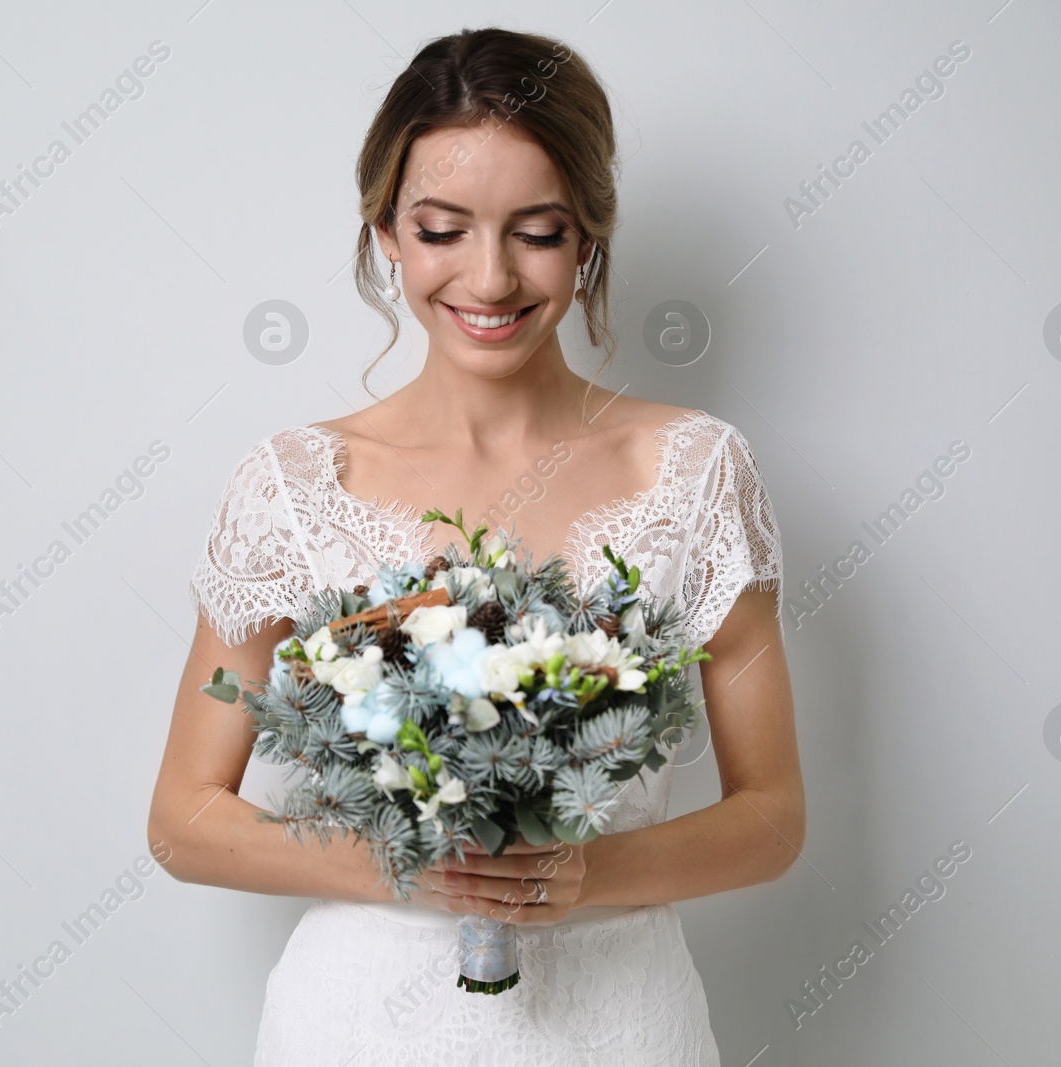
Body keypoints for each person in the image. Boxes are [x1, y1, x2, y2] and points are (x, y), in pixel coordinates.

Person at [148, 26, 804, 1065]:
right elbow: (183, 819)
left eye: (537, 231)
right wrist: (409, 862)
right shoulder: (291, 482)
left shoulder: (695, 470)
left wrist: (586, 870)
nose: (489, 278)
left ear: (588, 238)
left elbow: (772, 816)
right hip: (357, 1027)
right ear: (387, 234)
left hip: (614, 1020)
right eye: (442, 227)